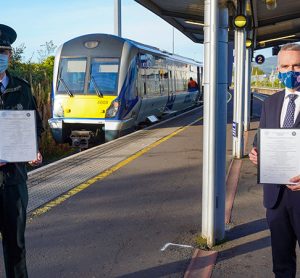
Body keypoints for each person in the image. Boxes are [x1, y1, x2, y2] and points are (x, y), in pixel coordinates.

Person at [249, 43, 300, 277]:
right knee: (281, 264)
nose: (291, 71)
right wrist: (255, 153)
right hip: (275, 198)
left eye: (297, 65)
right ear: (278, 70)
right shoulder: (270, 103)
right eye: (286, 66)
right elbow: (261, 139)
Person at [0, 24, 43, 278]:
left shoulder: (22, 88)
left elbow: (34, 126)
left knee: (15, 244)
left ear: (10, 56)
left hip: (14, 180)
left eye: (3, 51)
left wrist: (34, 149)